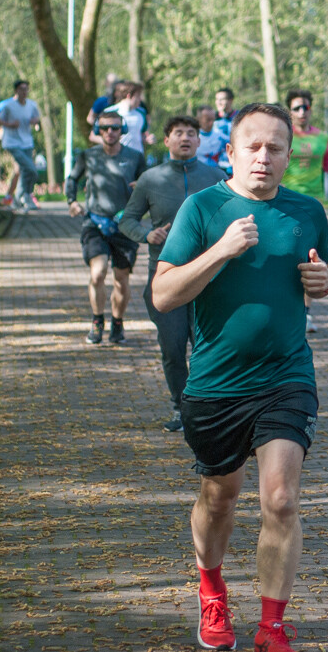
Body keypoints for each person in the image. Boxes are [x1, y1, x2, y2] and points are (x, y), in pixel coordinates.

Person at [151, 103, 328, 652]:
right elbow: (163, 294)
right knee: (220, 497)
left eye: (275, 148)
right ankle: (211, 591)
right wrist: (222, 249)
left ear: (288, 155)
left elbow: (317, 278)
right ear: (229, 151)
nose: (263, 157)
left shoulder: (307, 211)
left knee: (280, 499)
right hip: (214, 384)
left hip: (286, 376)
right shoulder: (202, 208)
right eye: (252, 146)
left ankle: (272, 626)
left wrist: (323, 280)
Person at [119, 115, 226, 433]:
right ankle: (182, 408)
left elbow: (235, 213)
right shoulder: (151, 179)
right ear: (166, 141)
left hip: (210, 278)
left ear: (198, 141)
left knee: (208, 347)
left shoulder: (216, 176)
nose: (185, 138)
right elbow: (128, 219)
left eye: (192, 133)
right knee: (173, 346)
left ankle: (209, 406)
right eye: (178, 133)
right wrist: (146, 235)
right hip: (165, 278)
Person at [66, 111, 147, 345]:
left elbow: (148, 183)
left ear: (122, 131)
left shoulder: (135, 156)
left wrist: (141, 187)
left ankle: (118, 323)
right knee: (98, 272)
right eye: (104, 128)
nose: (109, 132)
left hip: (125, 224)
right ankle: (97, 320)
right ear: (98, 131)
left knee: (121, 278)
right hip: (95, 222)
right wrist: (72, 202)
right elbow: (72, 179)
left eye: (114, 128)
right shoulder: (88, 156)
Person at [282, 89, 328, 334]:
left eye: (305, 107)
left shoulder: (322, 137)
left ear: (311, 110)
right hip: (284, 201)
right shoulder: (284, 135)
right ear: (289, 112)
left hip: (311, 205)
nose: (302, 112)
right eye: (296, 108)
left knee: (310, 258)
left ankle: (304, 315)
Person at [0, 80, 42, 212]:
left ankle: (17, 198)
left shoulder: (32, 105)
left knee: (22, 171)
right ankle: (25, 196)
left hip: (27, 143)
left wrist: (35, 122)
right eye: (21, 89)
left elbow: (37, 119)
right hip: (12, 143)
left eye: (26, 89)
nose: (24, 92)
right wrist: (0, 131)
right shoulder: (6, 104)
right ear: (16, 91)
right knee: (30, 170)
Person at [105, 81, 154, 153]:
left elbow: (143, 135)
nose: (140, 99)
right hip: (117, 157)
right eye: (138, 96)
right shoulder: (109, 112)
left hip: (137, 158)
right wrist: (110, 142)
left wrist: (148, 138)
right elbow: (93, 136)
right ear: (129, 96)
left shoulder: (142, 113)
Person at [195, 105, 226, 170]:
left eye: (213, 119)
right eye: (208, 120)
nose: (211, 123)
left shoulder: (220, 137)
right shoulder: (192, 138)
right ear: (198, 119)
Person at [214, 88, 236, 176]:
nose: (219, 102)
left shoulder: (240, 118)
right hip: (215, 167)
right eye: (217, 99)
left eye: (222, 99)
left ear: (231, 101)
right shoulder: (211, 119)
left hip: (233, 166)